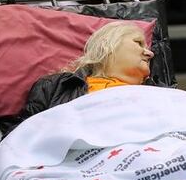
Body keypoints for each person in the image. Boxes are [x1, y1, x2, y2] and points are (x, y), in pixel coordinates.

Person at [22, 21, 154, 119]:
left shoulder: (162, 93)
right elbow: (19, 139)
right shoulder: (56, 87)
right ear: (107, 45)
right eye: (138, 43)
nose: (150, 54)